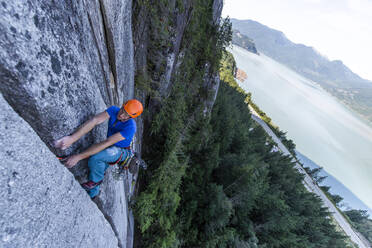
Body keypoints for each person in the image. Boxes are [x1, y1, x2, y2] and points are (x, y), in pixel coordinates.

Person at [54, 99, 143, 198]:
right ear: (122, 106)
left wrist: (78, 157)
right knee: (98, 163)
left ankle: (94, 184)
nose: (121, 115)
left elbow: (107, 142)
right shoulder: (114, 110)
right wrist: (71, 138)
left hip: (122, 151)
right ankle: (93, 194)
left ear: (130, 117)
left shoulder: (130, 127)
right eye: (122, 110)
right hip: (111, 147)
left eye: (126, 115)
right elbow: (94, 121)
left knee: (96, 157)